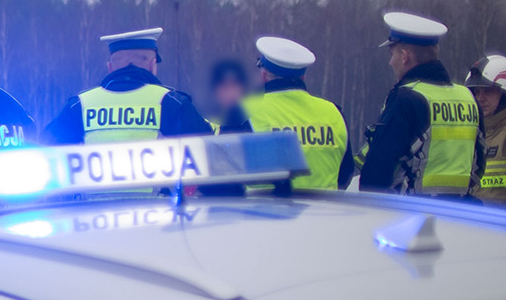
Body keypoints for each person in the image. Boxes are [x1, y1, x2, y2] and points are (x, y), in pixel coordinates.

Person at [362, 13, 482, 196]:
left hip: (413, 214)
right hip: (461, 217)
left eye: (392, 54)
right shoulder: (468, 97)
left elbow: (378, 170)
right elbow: (480, 161)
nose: (390, 62)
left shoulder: (406, 98)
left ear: (404, 56)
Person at [214, 37, 353, 192]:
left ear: (264, 76)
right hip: (326, 213)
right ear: (302, 78)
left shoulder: (240, 111)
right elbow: (345, 173)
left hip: (259, 214)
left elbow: (222, 173)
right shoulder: (334, 112)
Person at [44, 28, 212, 145]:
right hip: (159, 197)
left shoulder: (79, 105)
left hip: (93, 197)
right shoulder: (172, 103)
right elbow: (208, 150)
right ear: (153, 65)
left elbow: (47, 147)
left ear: (110, 67)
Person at [470, 55, 506, 204]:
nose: (480, 98)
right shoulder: (473, 135)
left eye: (488, 91)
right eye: (477, 92)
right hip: (475, 222)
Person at [206, 59, 250, 128]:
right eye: (225, 87)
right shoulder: (206, 122)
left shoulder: (253, 119)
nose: (230, 93)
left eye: (235, 86)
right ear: (215, 89)